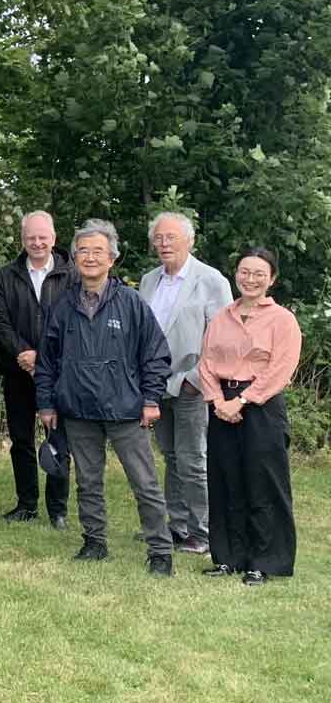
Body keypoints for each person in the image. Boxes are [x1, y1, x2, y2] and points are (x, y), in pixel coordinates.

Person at [36, 219, 174, 576]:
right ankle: (94, 542)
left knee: (144, 482)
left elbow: (156, 355)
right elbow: (47, 360)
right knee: (87, 481)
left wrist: (151, 399)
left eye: (98, 251)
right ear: (75, 258)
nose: (90, 257)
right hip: (78, 410)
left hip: (126, 410)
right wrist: (47, 403)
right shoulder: (63, 306)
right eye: (83, 251)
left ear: (112, 258)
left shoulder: (131, 303)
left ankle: (160, 550)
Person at [199, 249, 302, 585]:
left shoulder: (282, 320)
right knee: (225, 479)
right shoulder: (222, 317)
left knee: (263, 484)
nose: (251, 279)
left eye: (259, 274)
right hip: (221, 405)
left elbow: (280, 368)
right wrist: (218, 399)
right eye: (245, 272)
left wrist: (242, 400)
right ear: (236, 274)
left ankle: (264, 561)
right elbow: (206, 362)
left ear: (271, 279)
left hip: (262, 406)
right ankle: (228, 557)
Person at [139, 212, 233, 555]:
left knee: (193, 459)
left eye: (171, 237)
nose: (164, 244)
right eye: (159, 238)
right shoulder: (149, 280)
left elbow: (223, 338)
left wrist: (196, 380)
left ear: (189, 241)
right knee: (171, 456)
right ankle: (176, 526)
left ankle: (204, 531)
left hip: (193, 383)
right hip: (156, 385)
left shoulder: (211, 280)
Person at [0, 210, 72, 528]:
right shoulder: (6, 275)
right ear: (23, 239)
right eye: (31, 237)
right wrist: (23, 352)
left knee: (59, 440)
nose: (37, 242)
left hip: (59, 372)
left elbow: (74, 323)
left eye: (43, 237)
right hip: (16, 370)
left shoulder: (71, 275)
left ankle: (58, 510)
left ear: (53, 238)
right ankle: (26, 504)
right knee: (20, 439)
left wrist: (45, 357)